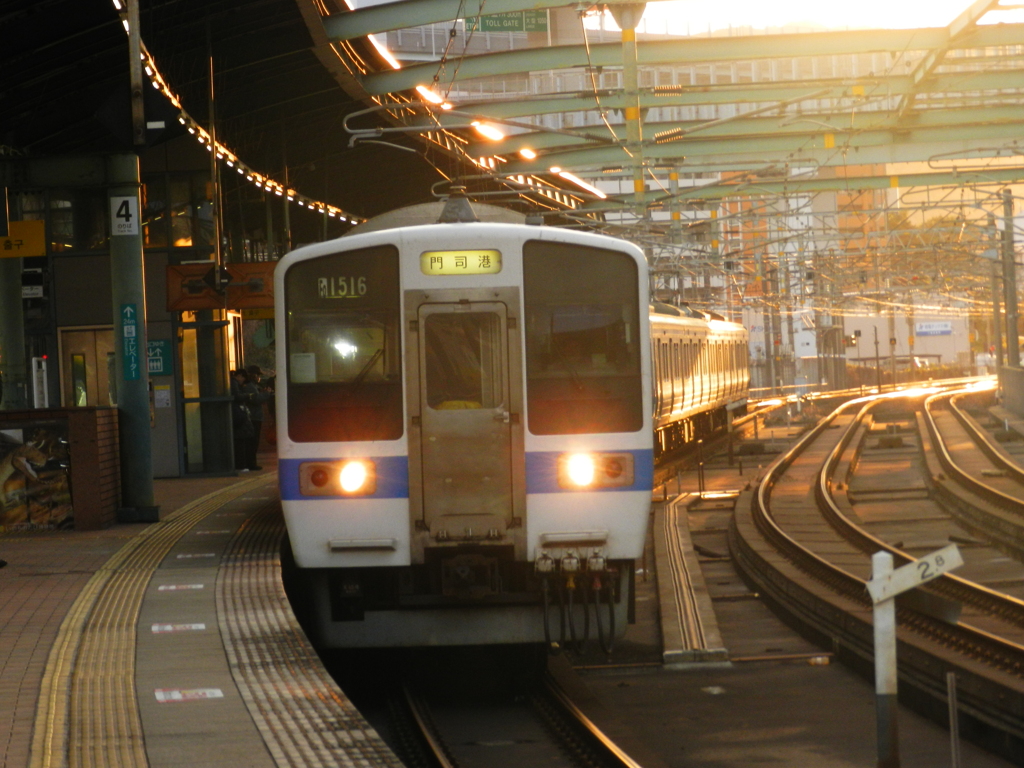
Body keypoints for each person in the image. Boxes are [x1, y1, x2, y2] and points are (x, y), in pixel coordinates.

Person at [243, 365, 273, 471]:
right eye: (258, 375)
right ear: (253, 375)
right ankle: (251, 464)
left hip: (254, 416)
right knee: (253, 441)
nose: (258, 378)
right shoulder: (250, 386)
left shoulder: (252, 386)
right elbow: (256, 400)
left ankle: (251, 463)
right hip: (254, 417)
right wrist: (267, 394)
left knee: (253, 441)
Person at [231, 369, 254, 472]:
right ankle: (241, 465)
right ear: (239, 376)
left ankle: (241, 464)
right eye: (243, 378)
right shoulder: (234, 383)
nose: (242, 381)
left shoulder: (231, 382)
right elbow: (237, 396)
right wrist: (248, 396)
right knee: (240, 442)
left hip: (236, 415)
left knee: (240, 441)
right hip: (238, 416)